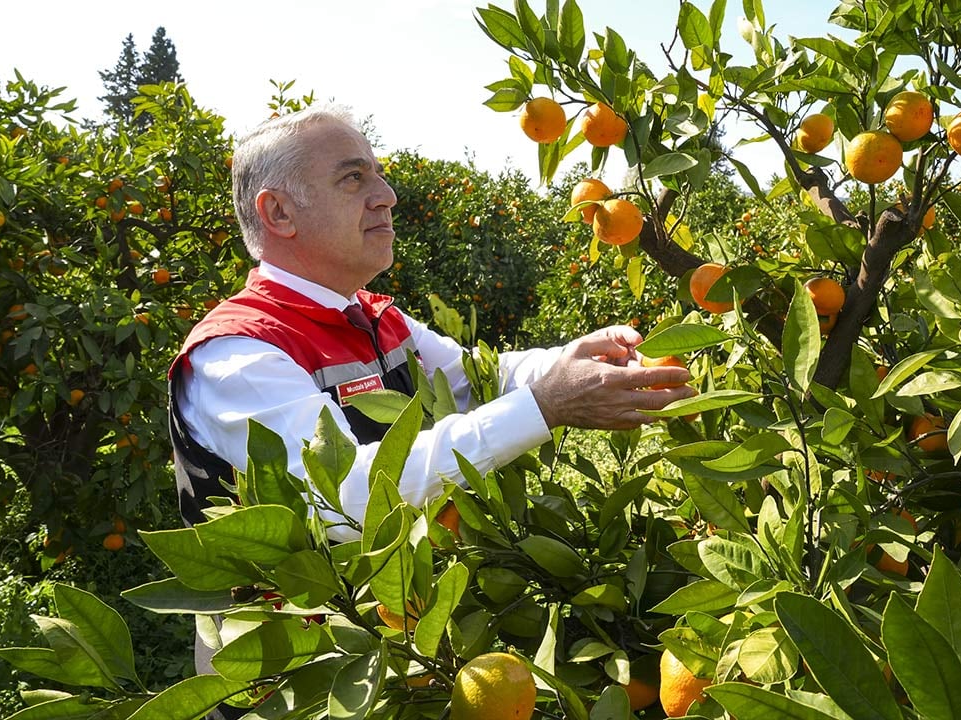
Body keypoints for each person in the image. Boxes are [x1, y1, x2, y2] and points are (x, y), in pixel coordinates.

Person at [166, 104, 693, 718]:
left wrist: (569, 361)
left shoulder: (374, 318)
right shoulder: (238, 354)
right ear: (278, 212)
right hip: (294, 687)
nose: (387, 196)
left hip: (401, 667)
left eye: (379, 176)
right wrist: (548, 405)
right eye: (353, 178)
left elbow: (481, 377)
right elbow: (352, 501)